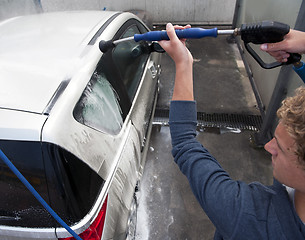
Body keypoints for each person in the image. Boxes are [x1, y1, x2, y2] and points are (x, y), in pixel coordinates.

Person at [158, 23, 305, 239]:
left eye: (281, 150)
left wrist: (184, 62)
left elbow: (184, 144)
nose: (268, 146)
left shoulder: (247, 218)